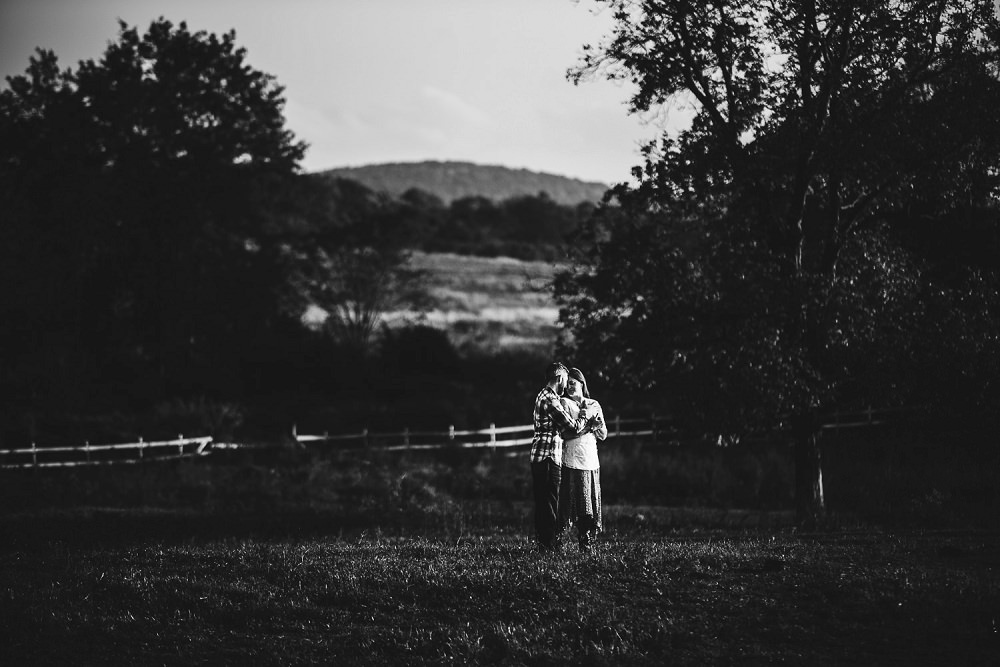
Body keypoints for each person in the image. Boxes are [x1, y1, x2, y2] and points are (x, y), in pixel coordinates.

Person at [530, 362, 594, 552]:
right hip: (548, 457)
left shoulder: (544, 395)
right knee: (550, 501)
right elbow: (572, 426)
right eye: (566, 380)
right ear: (559, 378)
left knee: (544, 501)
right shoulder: (551, 400)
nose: (567, 385)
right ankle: (549, 546)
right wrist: (586, 416)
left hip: (541, 456)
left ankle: (544, 543)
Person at [558, 367, 607, 552]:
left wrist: (598, 425)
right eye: (567, 383)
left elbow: (603, 434)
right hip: (572, 460)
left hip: (591, 460)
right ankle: (558, 541)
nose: (569, 387)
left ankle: (586, 542)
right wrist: (588, 425)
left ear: (581, 383)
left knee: (589, 504)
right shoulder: (564, 403)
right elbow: (566, 434)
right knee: (570, 503)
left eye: (573, 383)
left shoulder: (594, 403)